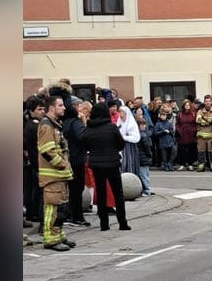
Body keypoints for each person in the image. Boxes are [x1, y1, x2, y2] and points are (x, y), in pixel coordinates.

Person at [81, 102, 131, 231]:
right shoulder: (112, 127)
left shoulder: (89, 129)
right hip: (112, 162)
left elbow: (85, 145)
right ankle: (122, 223)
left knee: (101, 192)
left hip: (96, 164)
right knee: (118, 193)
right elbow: (120, 144)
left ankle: (104, 224)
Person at [37, 96, 75, 251]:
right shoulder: (47, 126)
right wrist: (62, 164)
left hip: (60, 175)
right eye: (60, 105)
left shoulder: (55, 125)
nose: (64, 108)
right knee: (53, 209)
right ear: (51, 108)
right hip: (53, 176)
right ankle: (50, 239)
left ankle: (58, 235)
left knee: (62, 208)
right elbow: (47, 151)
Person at [61, 96, 90, 227]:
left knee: (68, 189)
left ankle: (68, 214)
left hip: (66, 158)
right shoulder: (75, 121)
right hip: (77, 158)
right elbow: (82, 137)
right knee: (77, 189)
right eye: (78, 106)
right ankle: (77, 217)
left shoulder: (62, 121)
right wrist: (84, 122)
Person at [23, 96, 45, 224]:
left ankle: (32, 213)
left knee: (31, 189)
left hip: (32, 161)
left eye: (43, 108)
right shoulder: (34, 126)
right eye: (39, 109)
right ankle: (34, 213)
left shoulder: (30, 124)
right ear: (31, 111)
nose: (42, 111)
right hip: (36, 162)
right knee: (35, 190)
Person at [195, 95, 212, 172]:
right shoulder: (200, 111)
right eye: (206, 101)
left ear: (211, 102)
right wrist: (208, 121)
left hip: (211, 135)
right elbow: (198, 120)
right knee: (200, 151)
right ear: (204, 102)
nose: (208, 103)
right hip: (201, 135)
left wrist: (205, 121)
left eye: (209, 101)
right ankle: (201, 165)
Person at [175, 99, 198, 171]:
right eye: (186, 105)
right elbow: (177, 124)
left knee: (191, 150)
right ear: (183, 106)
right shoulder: (180, 114)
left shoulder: (194, 114)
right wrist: (179, 131)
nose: (187, 106)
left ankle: (190, 164)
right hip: (183, 134)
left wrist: (194, 130)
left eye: (188, 105)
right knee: (182, 150)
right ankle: (183, 164)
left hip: (191, 134)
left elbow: (196, 123)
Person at [136, 109, 154, 196]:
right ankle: (147, 189)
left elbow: (146, 147)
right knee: (145, 175)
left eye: (144, 124)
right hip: (144, 157)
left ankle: (146, 190)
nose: (144, 126)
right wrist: (150, 154)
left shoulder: (141, 135)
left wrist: (149, 154)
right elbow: (147, 147)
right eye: (142, 124)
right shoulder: (143, 135)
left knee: (144, 175)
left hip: (142, 158)